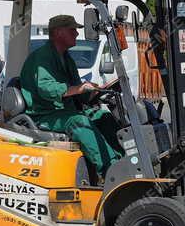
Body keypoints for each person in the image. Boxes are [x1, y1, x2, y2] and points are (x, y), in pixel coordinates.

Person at [20, 15, 122, 181]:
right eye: (72, 30)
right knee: (79, 122)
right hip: (44, 115)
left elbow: (77, 90)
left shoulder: (66, 58)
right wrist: (78, 88)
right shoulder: (42, 57)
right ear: (59, 32)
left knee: (103, 117)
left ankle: (122, 161)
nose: (76, 34)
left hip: (62, 112)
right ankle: (112, 173)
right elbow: (46, 89)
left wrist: (94, 91)